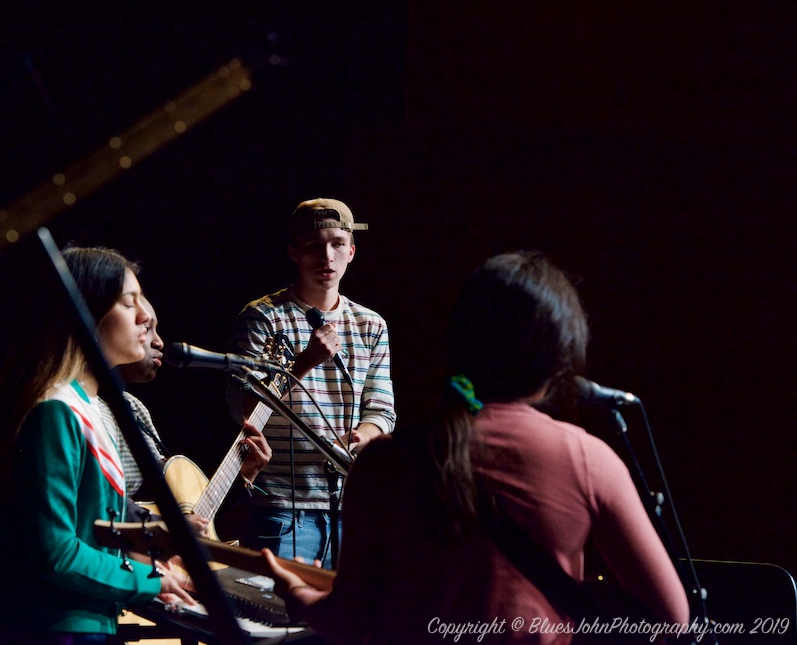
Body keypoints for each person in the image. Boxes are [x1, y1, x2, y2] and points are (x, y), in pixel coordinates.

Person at [263, 251, 690, 643]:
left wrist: (297, 593)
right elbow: (672, 619)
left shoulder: (383, 462)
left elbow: (349, 620)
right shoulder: (588, 459)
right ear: (558, 357)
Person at [0, 246, 192, 644]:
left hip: (89, 620)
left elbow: (95, 526)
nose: (147, 316)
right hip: (59, 626)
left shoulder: (88, 408)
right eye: (129, 302)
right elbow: (55, 552)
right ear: (85, 312)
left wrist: (159, 538)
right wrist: (152, 580)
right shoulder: (54, 411)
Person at [227, 198, 396, 569]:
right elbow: (243, 410)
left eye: (337, 244)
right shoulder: (263, 318)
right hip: (283, 508)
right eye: (314, 246)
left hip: (353, 506)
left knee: (347, 622)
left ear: (351, 251)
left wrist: (364, 435)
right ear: (294, 252)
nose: (327, 257)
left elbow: (382, 409)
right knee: (286, 618)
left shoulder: (371, 324)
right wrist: (304, 363)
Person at [105, 293, 271, 532]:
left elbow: (194, 516)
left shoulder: (133, 407)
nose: (159, 342)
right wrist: (165, 526)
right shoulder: (82, 409)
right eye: (146, 328)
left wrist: (245, 475)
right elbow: (99, 498)